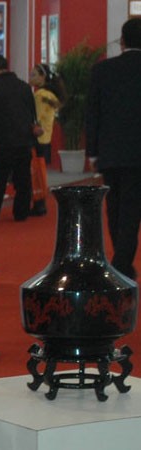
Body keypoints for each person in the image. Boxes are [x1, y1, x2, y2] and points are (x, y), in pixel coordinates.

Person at [87, 17, 141, 279]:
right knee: (131, 209)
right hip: (138, 154)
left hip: (110, 151)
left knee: (114, 206)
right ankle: (121, 264)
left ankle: (121, 261)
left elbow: (92, 113)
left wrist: (92, 152)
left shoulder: (102, 70)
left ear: (122, 42)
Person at [0, 55, 37, 223]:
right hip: (23, 140)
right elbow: (32, 114)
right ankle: (22, 212)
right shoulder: (24, 87)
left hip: (2, 142)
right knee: (23, 179)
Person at [28, 63, 64, 216]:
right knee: (41, 172)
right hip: (46, 138)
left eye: (34, 75)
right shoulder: (50, 95)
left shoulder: (40, 95)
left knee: (36, 173)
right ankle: (40, 201)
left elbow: (36, 118)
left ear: (42, 77)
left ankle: (39, 203)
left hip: (37, 138)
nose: (30, 78)